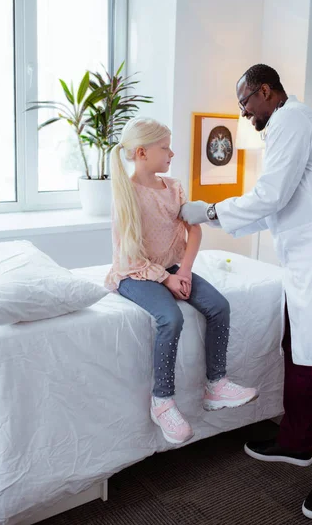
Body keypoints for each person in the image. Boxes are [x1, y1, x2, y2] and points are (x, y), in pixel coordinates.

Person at [180, 64, 312, 520]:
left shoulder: (293, 119)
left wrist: (208, 209)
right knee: (297, 349)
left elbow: (270, 196)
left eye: (245, 102)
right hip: (308, 261)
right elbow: (274, 208)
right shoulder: (286, 127)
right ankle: (294, 442)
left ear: (266, 90)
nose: (243, 112)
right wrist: (216, 218)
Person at [105, 117, 258, 446]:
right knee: (170, 318)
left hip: (173, 267)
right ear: (143, 153)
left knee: (219, 306)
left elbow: (194, 229)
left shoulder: (173, 187)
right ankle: (162, 401)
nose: (172, 153)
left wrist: (184, 272)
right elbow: (129, 257)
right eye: (165, 147)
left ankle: (216, 384)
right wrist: (166, 280)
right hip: (134, 273)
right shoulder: (126, 194)